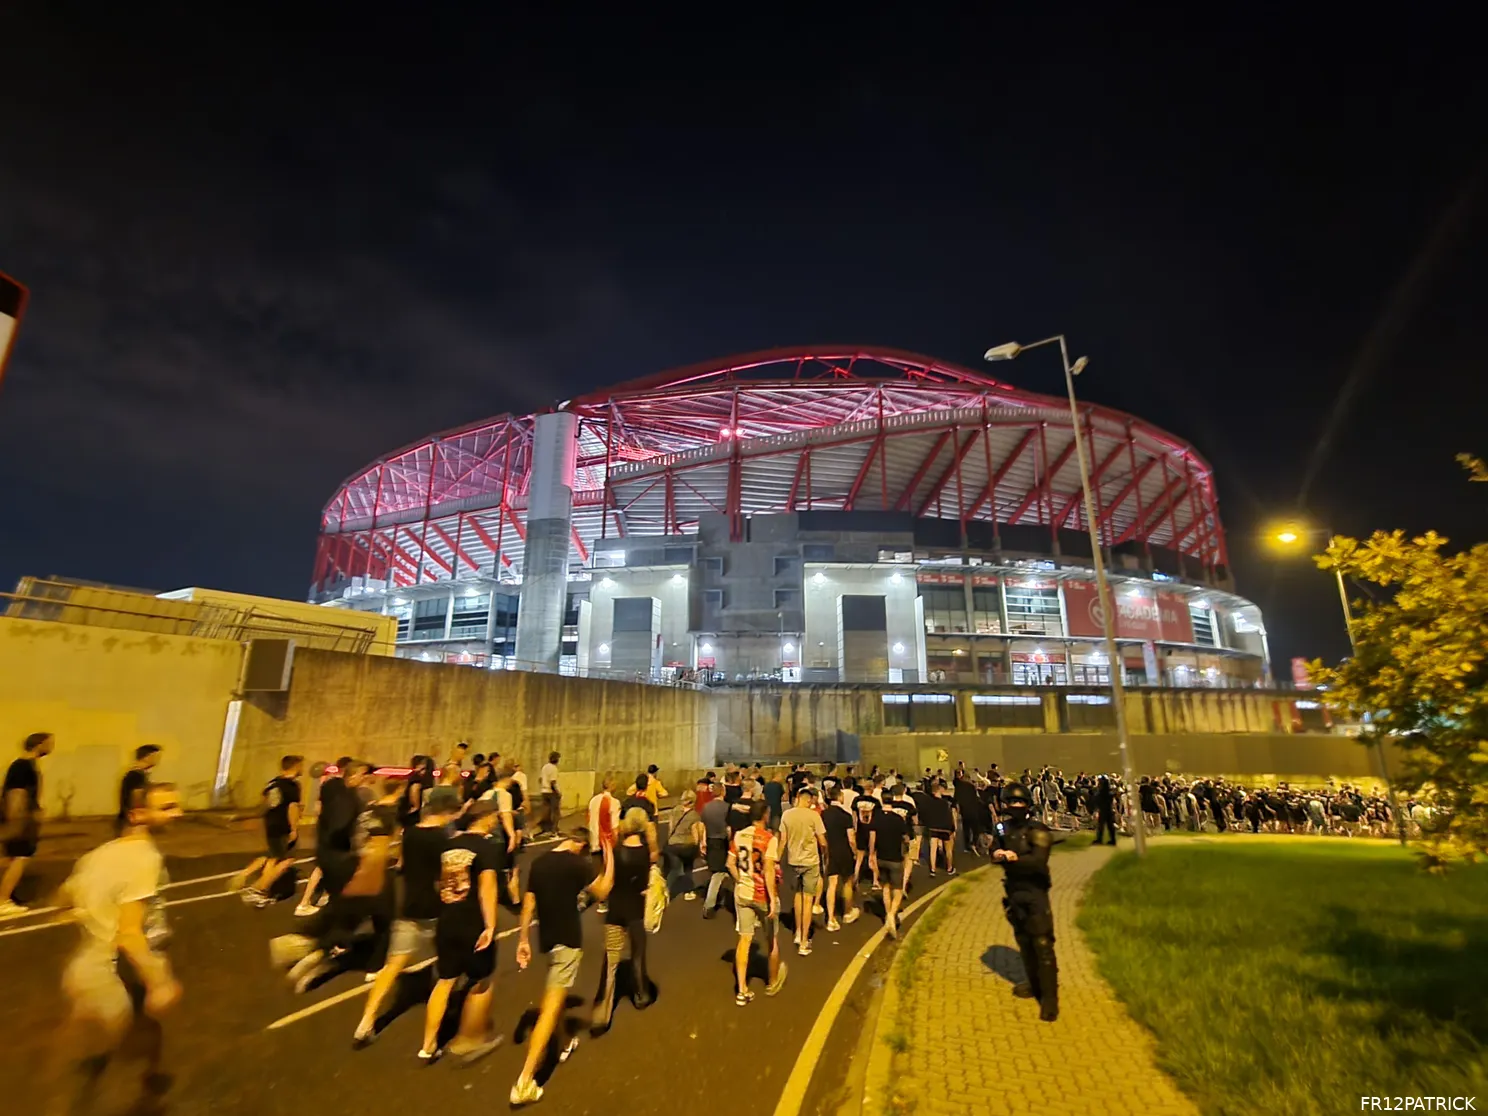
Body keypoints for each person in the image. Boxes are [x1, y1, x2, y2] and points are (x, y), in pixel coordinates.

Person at [47, 782, 184, 1113]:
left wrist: (89, 915)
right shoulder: (144, 859)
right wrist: (160, 981)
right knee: (102, 1067)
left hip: (89, 970)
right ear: (138, 814)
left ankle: (144, 1080)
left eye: (176, 806)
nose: (178, 814)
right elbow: (129, 934)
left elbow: (63, 898)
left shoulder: (99, 854)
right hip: (111, 976)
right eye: (166, 808)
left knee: (106, 1049)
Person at [512, 830, 613, 1107]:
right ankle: (525, 1079)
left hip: (547, 938)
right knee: (551, 1007)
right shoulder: (577, 864)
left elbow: (529, 904)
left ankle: (565, 1042)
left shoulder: (540, 862)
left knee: (555, 1001)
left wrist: (522, 940)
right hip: (568, 940)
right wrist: (610, 858)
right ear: (580, 844)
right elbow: (603, 891)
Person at [355, 786, 459, 1053]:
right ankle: (436, 1033)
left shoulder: (411, 833)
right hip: (435, 909)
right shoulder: (442, 840)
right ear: (446, 811)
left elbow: (402, 865)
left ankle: (367, 1019)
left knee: (393, 965)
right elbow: (446, 876)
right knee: (450, 967)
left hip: (409, 906)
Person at [424, 799, 503, 1064]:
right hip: (472, 922)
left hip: (447, 919)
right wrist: (491, 925)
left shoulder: (448, 846)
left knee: (445, 980)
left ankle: (428, 1044)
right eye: (494, 817)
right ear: (486, 818)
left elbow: (437, 883)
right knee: (481, 980)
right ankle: (471, 1038)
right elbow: (488, 887)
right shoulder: (486, 847)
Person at [992, 782, 1059, 1022]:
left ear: (1027, 804)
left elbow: (1038, 861)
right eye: (1011, 802)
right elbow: (994, 849)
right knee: (1024, 943)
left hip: (1035, 891)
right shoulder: (1001, 828)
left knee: (1042, 943)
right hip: (1013, 892)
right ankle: (1034, 985)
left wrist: (1013, 858)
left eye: (1019, 802)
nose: (1015, 806)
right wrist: (999, 855)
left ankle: (1050, 999)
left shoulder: (1038, 830)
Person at [592, 808, 655, 1032]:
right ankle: (641, 995)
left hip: (615, 909)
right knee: (637, 955)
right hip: (635, 911)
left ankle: (602, 1011)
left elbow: (606, 880)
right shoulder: (645, 853)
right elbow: (644, 885)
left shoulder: (616, 851)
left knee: (610, 961)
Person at [729, 799, 786, 1005]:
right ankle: (772, 982)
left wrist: (740, 880)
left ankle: (742, 989)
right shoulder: (769, 838)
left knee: (744, 939)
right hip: (761, 894)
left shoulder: (738, 835)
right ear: (765, 815)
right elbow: (769, 870)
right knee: (771, 940)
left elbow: (730, 863)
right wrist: (772, 899)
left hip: (742, 892)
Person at [232, 754, 304, 906]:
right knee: (286, 860)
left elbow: (264, 804)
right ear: (295, 766)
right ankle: (257, 888)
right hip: (284, 826)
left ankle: (261, 889)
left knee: (273, 857)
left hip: (271, 824)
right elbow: (292, 807)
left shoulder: (272, 783)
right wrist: (294, 829)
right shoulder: (292, 786)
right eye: (301, 766)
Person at [1, 731, 53, 918]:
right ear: (39, 744)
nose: (51, 747)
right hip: (21, 820)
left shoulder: (29, 765)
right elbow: (15, 794)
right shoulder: (22, 766)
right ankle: (3, 902)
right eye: (49, 743)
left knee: (11, 859)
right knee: (20, 858)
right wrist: (16, 821)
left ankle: (6, 896)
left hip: (24, 819)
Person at [779, 788, 826, 956]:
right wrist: (825, 855)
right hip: (810, 861)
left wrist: (777, 860)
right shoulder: (814, 816)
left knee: (797, 896)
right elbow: (822, 841)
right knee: (808, 900)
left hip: (793, 860)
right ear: (808, 801)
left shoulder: (787, 815)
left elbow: (783, 840)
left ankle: (798, 932)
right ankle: (805, 942)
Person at [870, 783, 910, 937]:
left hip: (881, 857)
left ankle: (888, 913)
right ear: (892, 800)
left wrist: (872, 855)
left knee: (885, 887)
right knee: (898, 889)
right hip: (895, 857)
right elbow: (906, 837)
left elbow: (872, 838)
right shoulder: (898, 819)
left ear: (881, 800)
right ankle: (892, 914)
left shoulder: (877, 817)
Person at [822, 785, 861, 931]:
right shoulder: (846, 815)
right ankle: (847, 911)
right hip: (844, 851)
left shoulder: (823, 815)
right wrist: (855, 851)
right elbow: (851, 838)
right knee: (847, 882)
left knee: (832, 884)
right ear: (839, 797)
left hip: (830, 850)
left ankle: (830, 918)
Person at [699, 784, 732, 918]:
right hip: (723, 841)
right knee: (719, 874)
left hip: (711, 840)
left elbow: (702, 826)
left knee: (716, 871)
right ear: (723, 792)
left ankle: (720, 896)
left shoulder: (706, 807)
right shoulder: (727, 807)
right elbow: (729, 828)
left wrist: (702, 842)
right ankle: (709, 904)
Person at [665, 790, 704, 900]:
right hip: (687, 844)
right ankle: (688, 891)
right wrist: (698, 845)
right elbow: (695, 833)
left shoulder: (675, 811)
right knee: (688, 868)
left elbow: (671, 826)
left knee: (674, 870)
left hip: (673, 843)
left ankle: (666, 890)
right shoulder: (694, 815)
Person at [116, 745, 162, 836]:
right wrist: (144, 815)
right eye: (156, 757)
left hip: (130, 819)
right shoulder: (136, 775)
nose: (157, 760)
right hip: (132, 820)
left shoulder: (136, 774)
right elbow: (137, 796)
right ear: (148, 757)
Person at [538, 752, 562, 836]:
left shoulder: (545, 767)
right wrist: (557, 792)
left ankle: (546, 828)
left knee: (546, 811)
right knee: (555, 812)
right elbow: (553, 782)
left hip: (544, 791)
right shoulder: (554, 768)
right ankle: (554, 829)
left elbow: (540, 779)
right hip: (551, 792)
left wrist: (543, 786)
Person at [1092, 774, 1118, 846]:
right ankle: (1113, 840)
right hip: (1109, 809)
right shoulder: (1109, 791)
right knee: (1110, 826)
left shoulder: (1101, 791)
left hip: (1103, 809)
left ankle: (1100, 840)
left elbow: (1097, 799)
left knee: (1101, 825)